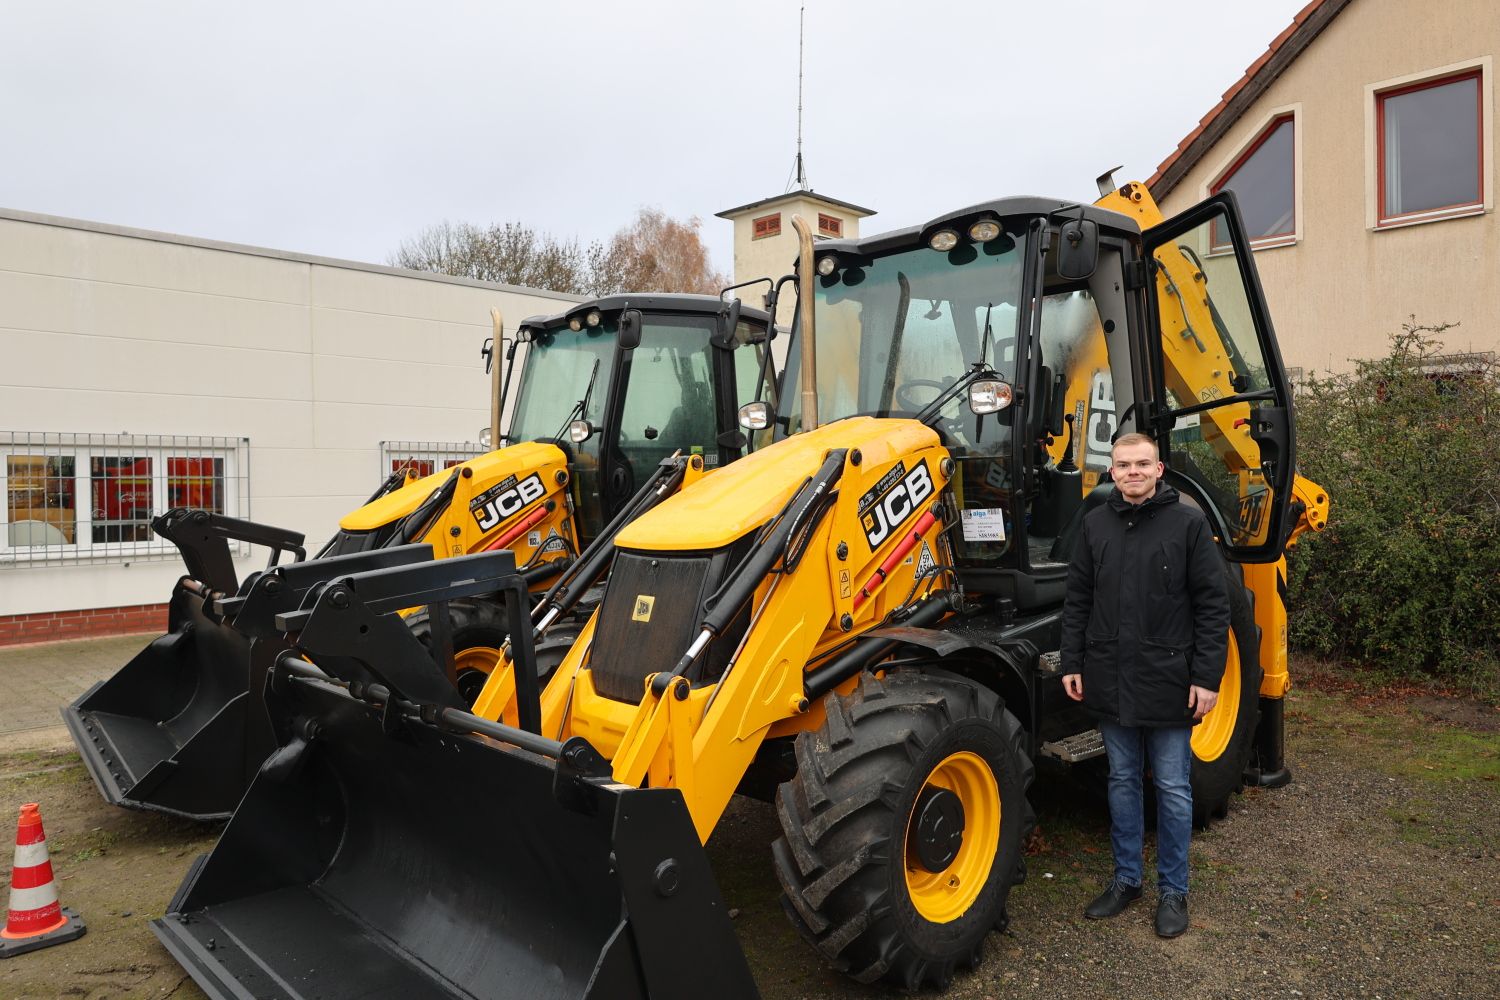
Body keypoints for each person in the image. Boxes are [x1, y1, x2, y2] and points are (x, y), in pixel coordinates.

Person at [1058, 432, 1229, 938]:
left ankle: (1173, 891)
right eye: (1123, 465)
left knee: (1174, 789)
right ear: (1111, 472)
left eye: (1142, 464)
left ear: (1159, 470)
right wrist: (1073, 661)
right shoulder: (1094, 527)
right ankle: (1127, 880)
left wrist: (1206, 677)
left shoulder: (1189, 525)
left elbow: (1212, 607)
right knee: (1121, 782)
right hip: (1110, 678)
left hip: (1170, 681)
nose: (1132, 472)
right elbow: (1078, 601)